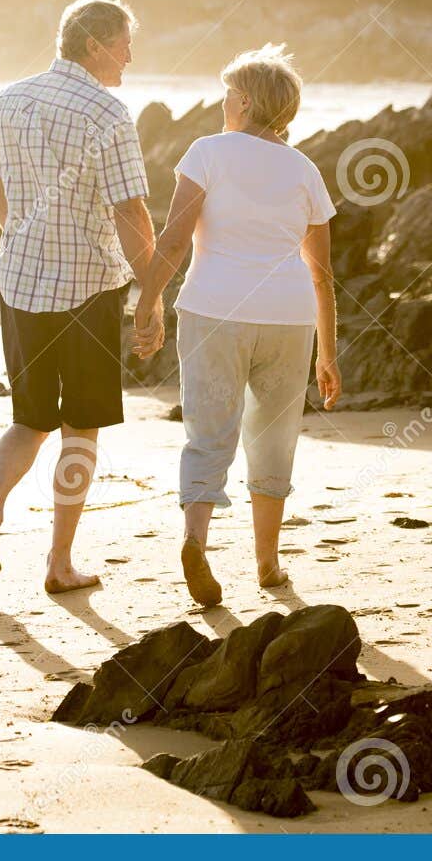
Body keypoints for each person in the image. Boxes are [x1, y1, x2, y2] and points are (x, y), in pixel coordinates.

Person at [0, 0, 161, 595]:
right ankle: (59, 563)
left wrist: (28, 242)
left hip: (20, 283)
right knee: (82, 428)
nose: (130, 56)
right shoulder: (108, 113)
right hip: (87, 291)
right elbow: (131, 210)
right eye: (125, 44)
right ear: (95, 44)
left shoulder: (8, 99)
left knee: (29, 420)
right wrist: (151, 299)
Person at [135, 43, 340, 607]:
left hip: (212, 311)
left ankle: (196, 540)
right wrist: (329, 354)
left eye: (228, 92)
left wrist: (147, 300)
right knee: (273, 439)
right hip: (288, 317)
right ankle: (268, 564)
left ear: (245, 101)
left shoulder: (206, 153)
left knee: (209, 432)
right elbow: (321, 274)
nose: (222, 101)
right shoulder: (305, 169)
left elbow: (175, 239)